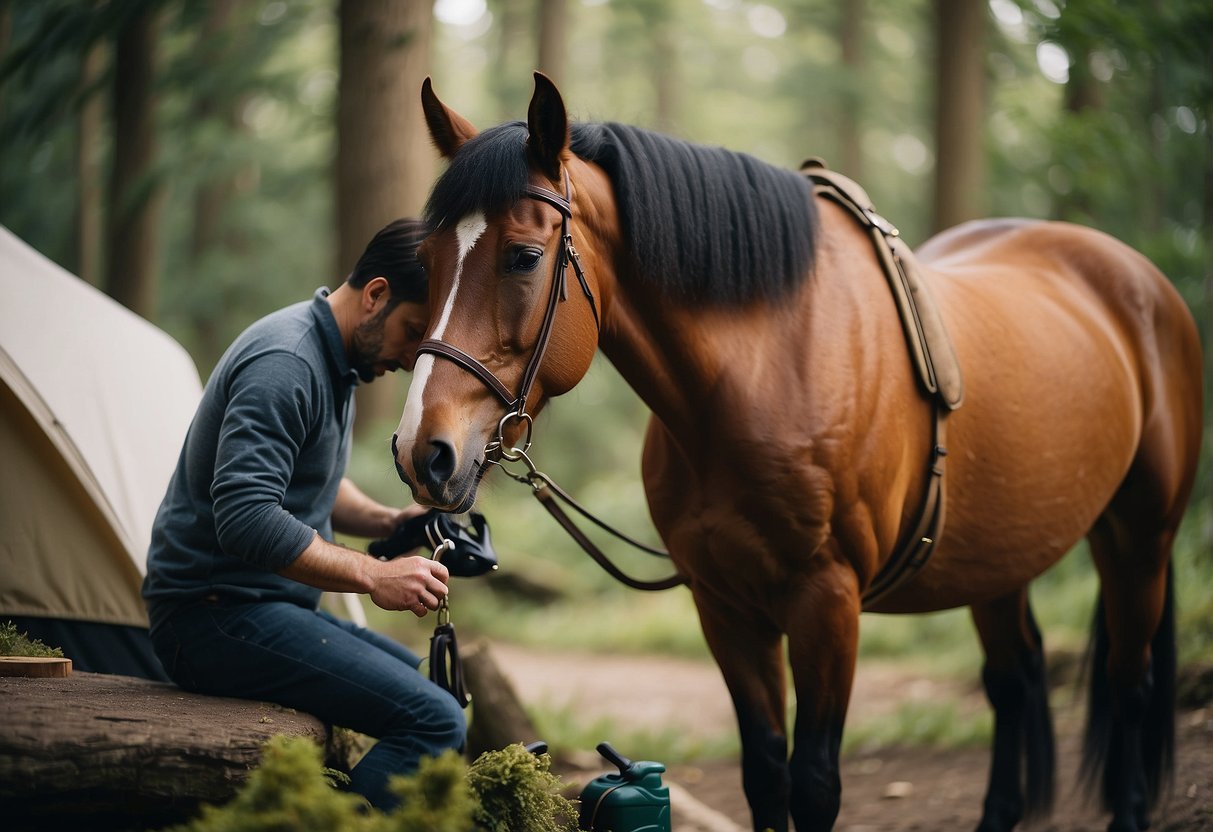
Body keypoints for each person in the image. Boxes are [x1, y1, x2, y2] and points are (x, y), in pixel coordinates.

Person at [142, 218, 464, 810]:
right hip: (210, 617)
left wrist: (395, 524)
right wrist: (372, 574)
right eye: (413, 331)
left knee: (427, 682)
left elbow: (314, 477)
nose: (413, 355)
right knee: (435, 722)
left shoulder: (333, 357)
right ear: (375, 294)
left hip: (259, 608)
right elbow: (244, 515)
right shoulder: (287, 361)